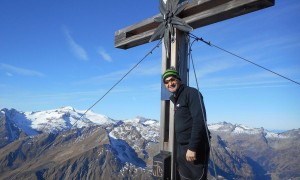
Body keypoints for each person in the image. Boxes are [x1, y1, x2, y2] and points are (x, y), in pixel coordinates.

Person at [162, 68, 210, 180]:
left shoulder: (191, 93)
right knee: (184, 176)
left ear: (178, 79)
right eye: (167, 82)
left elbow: (200, 120)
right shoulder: (177, 98)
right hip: (182, 147)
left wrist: (192, 147)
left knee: (195, 177)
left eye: (172, 79)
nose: (170, 83)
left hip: (194, 148)